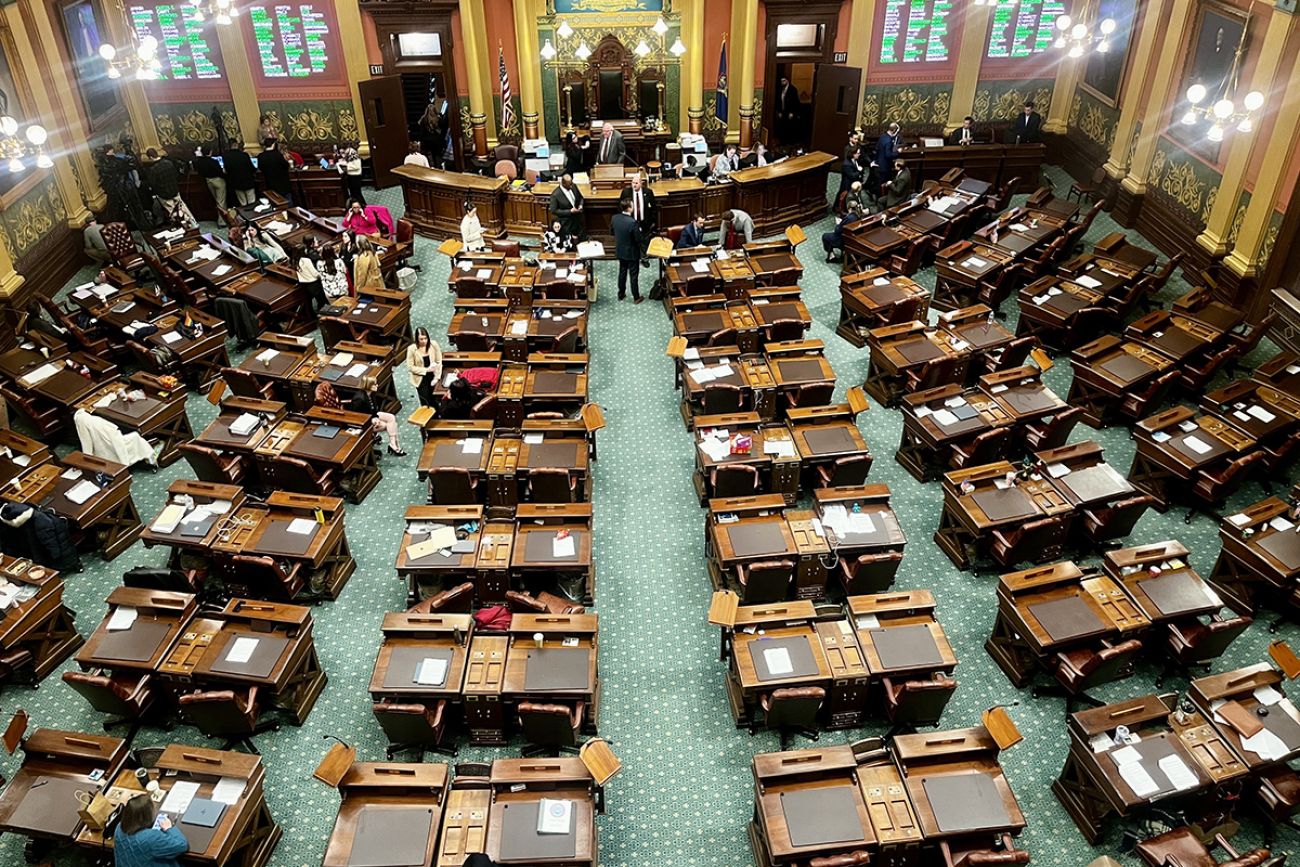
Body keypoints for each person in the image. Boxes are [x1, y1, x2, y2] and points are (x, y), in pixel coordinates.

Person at [316, 381, 404, 457]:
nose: (377, 385)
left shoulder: (371, 393)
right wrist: (371, 420)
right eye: (375, 384)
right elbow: (356, 417)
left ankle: (393, 444)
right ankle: (395, 446)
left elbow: (374, 408)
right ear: (368, 386)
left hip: (371, 415)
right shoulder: (359, 399)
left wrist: (375, 417)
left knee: (391, 418)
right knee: (386, 426)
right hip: (362, 422)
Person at [113, 792, 188, 867]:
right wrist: (169, 827)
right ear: (146, 816)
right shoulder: (150, 837)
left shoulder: (118, 828)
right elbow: (182, 845)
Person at [144, 148, 194, 225]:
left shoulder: (153, 169)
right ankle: (192, 224)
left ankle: (183, 227)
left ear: (150, 157)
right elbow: (176, 175)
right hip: (175, 191)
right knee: (183, 208)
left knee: (174, 213)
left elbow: (152, 184)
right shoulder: (169, 163)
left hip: (164, 195)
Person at [611, 200, 644, 303]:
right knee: (634, 276)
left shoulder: (615, 218)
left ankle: (621, 294)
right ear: (629, 208)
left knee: (622, 272)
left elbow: (612, 232)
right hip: (632, 253)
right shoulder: (632, 222)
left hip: (620, 250)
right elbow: (638, 239)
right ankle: (636, 297)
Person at [406, 327, 444, 407]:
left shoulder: (433, 344)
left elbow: (439, 361)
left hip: (433, 375)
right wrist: (426, 370)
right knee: (426, 401)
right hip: (421, 379)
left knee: (436, 399)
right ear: (417, 339)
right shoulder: (412, 349)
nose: (424, 341)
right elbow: (410, 367)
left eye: (425, 338)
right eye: (421, 339)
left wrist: (437, 377)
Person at [618, 173, 657, 246]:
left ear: (641, 183)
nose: (634, 185)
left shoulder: (648, 192)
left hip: (645, 224)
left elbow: (654, 208)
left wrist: (652, 222)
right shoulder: (626, 192)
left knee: (645, 244)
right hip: (631, 223)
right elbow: (620, 208)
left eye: (636, 183)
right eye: (633, 183)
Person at [193, 146, 227, 222]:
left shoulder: (199, 162)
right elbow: (220, 172)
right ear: (210, 152)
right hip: (218, 181)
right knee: (221, 201)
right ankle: (222, 221)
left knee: (216, 200)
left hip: (208, 181)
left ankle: (221, 218)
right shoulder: (214, 161)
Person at [548, 174, 585, 239]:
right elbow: (554, 210)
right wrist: (569, 211)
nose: (571, 186)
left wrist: (581, 205)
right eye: (569, 185)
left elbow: (581, 197)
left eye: (571, 183)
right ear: (563, 184)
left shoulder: (574, 186)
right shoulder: (555, 195)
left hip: (578, 220)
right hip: (567, 224)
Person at [222, 142, 257, 206]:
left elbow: (226, 170)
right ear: (237, 145)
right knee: (251, 201)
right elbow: (251, 168)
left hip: (236, 183)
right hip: (247, 181)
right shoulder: (244, 155)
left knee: (242, 202)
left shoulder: (225, 156)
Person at [296, 236, 324, 311]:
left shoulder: (295, 261)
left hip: (304, 284)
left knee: (309, 302)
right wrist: (322, 276)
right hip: (313, 284)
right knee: (321, 301)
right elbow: (315, 273)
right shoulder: (306, 260)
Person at [775, 76, 801, 145]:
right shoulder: (780, 89)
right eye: (781, 81)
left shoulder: (792, 90)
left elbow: (795, 102)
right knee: (782, 127)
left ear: (787, 81)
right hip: (782, 111)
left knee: (789, 128)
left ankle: (789, 143)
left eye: (784, 81)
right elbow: (778, 101)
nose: (782, 82)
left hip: (790, 112)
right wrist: (779, 111)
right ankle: (782, 142)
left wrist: (792, 112)